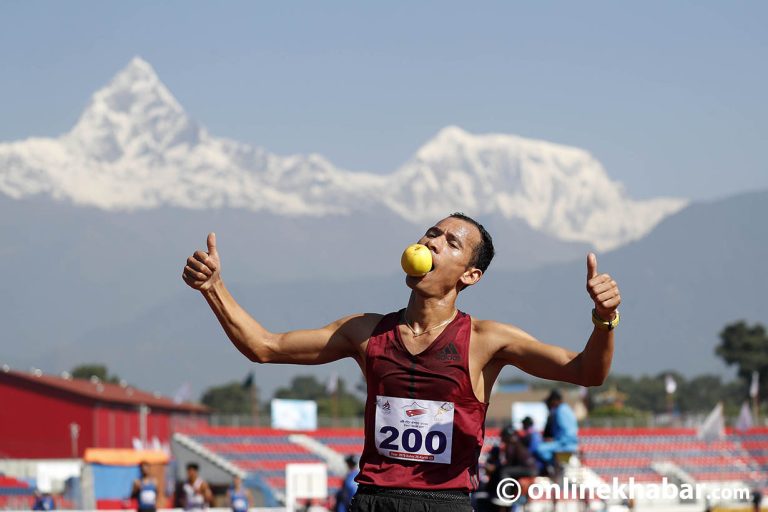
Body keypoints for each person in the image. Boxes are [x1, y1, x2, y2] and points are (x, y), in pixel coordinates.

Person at [182, 213, 621, 512]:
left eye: (450, 242)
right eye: (430, 232)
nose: (430, 242)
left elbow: (587, 372)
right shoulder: (366, 332)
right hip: (372, 498)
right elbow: (265, 346)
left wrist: (604, 320)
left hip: (444, 504)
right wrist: (214, 288)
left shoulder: (487, 341)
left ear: (470, 275)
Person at [486, 426, 537, 511]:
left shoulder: (512, 444)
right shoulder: (515, 443)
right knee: (503, 471)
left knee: (505, 471)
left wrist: (496, 467)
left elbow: (508, 464)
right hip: (525, 469)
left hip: (529, 470)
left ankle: (504, 496)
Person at [534, 389, 579, 471]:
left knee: (540, 449)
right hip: (565, 442)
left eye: (551, 402)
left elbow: (568, 433)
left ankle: (553, 466)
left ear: (555, 400)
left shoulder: (561, 411)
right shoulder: (565, 409)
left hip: (566, 445)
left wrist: (556, 441)